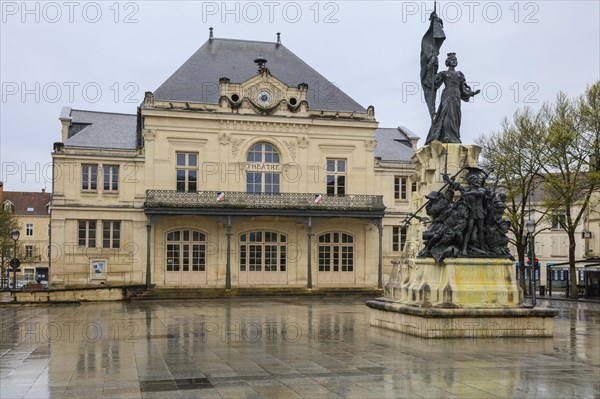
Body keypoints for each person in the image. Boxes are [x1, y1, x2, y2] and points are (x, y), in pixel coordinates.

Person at [425, 53, 481, 145]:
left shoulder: (459, 74)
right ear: (448, 62)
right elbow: (433, 82)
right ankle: (446, 136)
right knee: (447, 115)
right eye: (452, 60)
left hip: (457, 97)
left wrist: (472, 93)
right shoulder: (444, 74)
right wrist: (431, 65)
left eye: (455, 60)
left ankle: (454, 136)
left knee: (456, 117)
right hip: (447, 96)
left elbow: (463, 89)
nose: (454, 61)